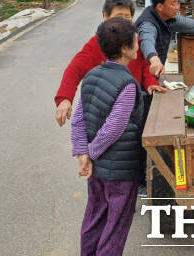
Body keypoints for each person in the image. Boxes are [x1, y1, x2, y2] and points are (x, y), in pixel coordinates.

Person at [72, 17, 144, 255]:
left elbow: (79, 117)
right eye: (135, 40)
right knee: (115, 228)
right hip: (121, 171)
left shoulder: (91, 75)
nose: (139, 43)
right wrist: (90, 154)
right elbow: (114, 127)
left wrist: (83, 153)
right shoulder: (127, 84)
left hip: (98, 171)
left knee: (95, 219)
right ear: (125, 48)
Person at [54, 0, 164, 127]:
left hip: (132, 107)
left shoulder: (134, 41)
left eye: (127, 16)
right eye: (118, 16)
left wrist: (150, 83)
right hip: (106, 112)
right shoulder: (96, 43)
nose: (123, 21)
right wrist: (65, 99)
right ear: (105, 16)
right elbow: (74, 69)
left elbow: (144, 65)